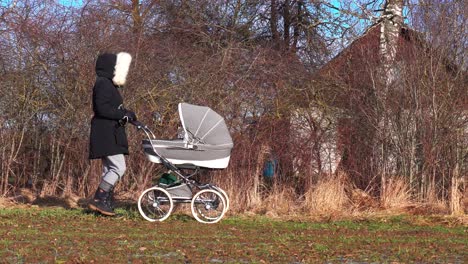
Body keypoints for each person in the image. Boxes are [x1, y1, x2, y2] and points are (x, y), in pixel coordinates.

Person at [88, 52, 136, 216]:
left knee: (109, 168)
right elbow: (101, 108)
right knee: (118, 167)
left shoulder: (109, 84)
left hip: (109, 132)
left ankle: (103, 205)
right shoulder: (103, 83)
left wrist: (127, 114)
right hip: (105, 133)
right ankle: (99, 198)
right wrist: (122, 115)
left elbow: (113, 109)